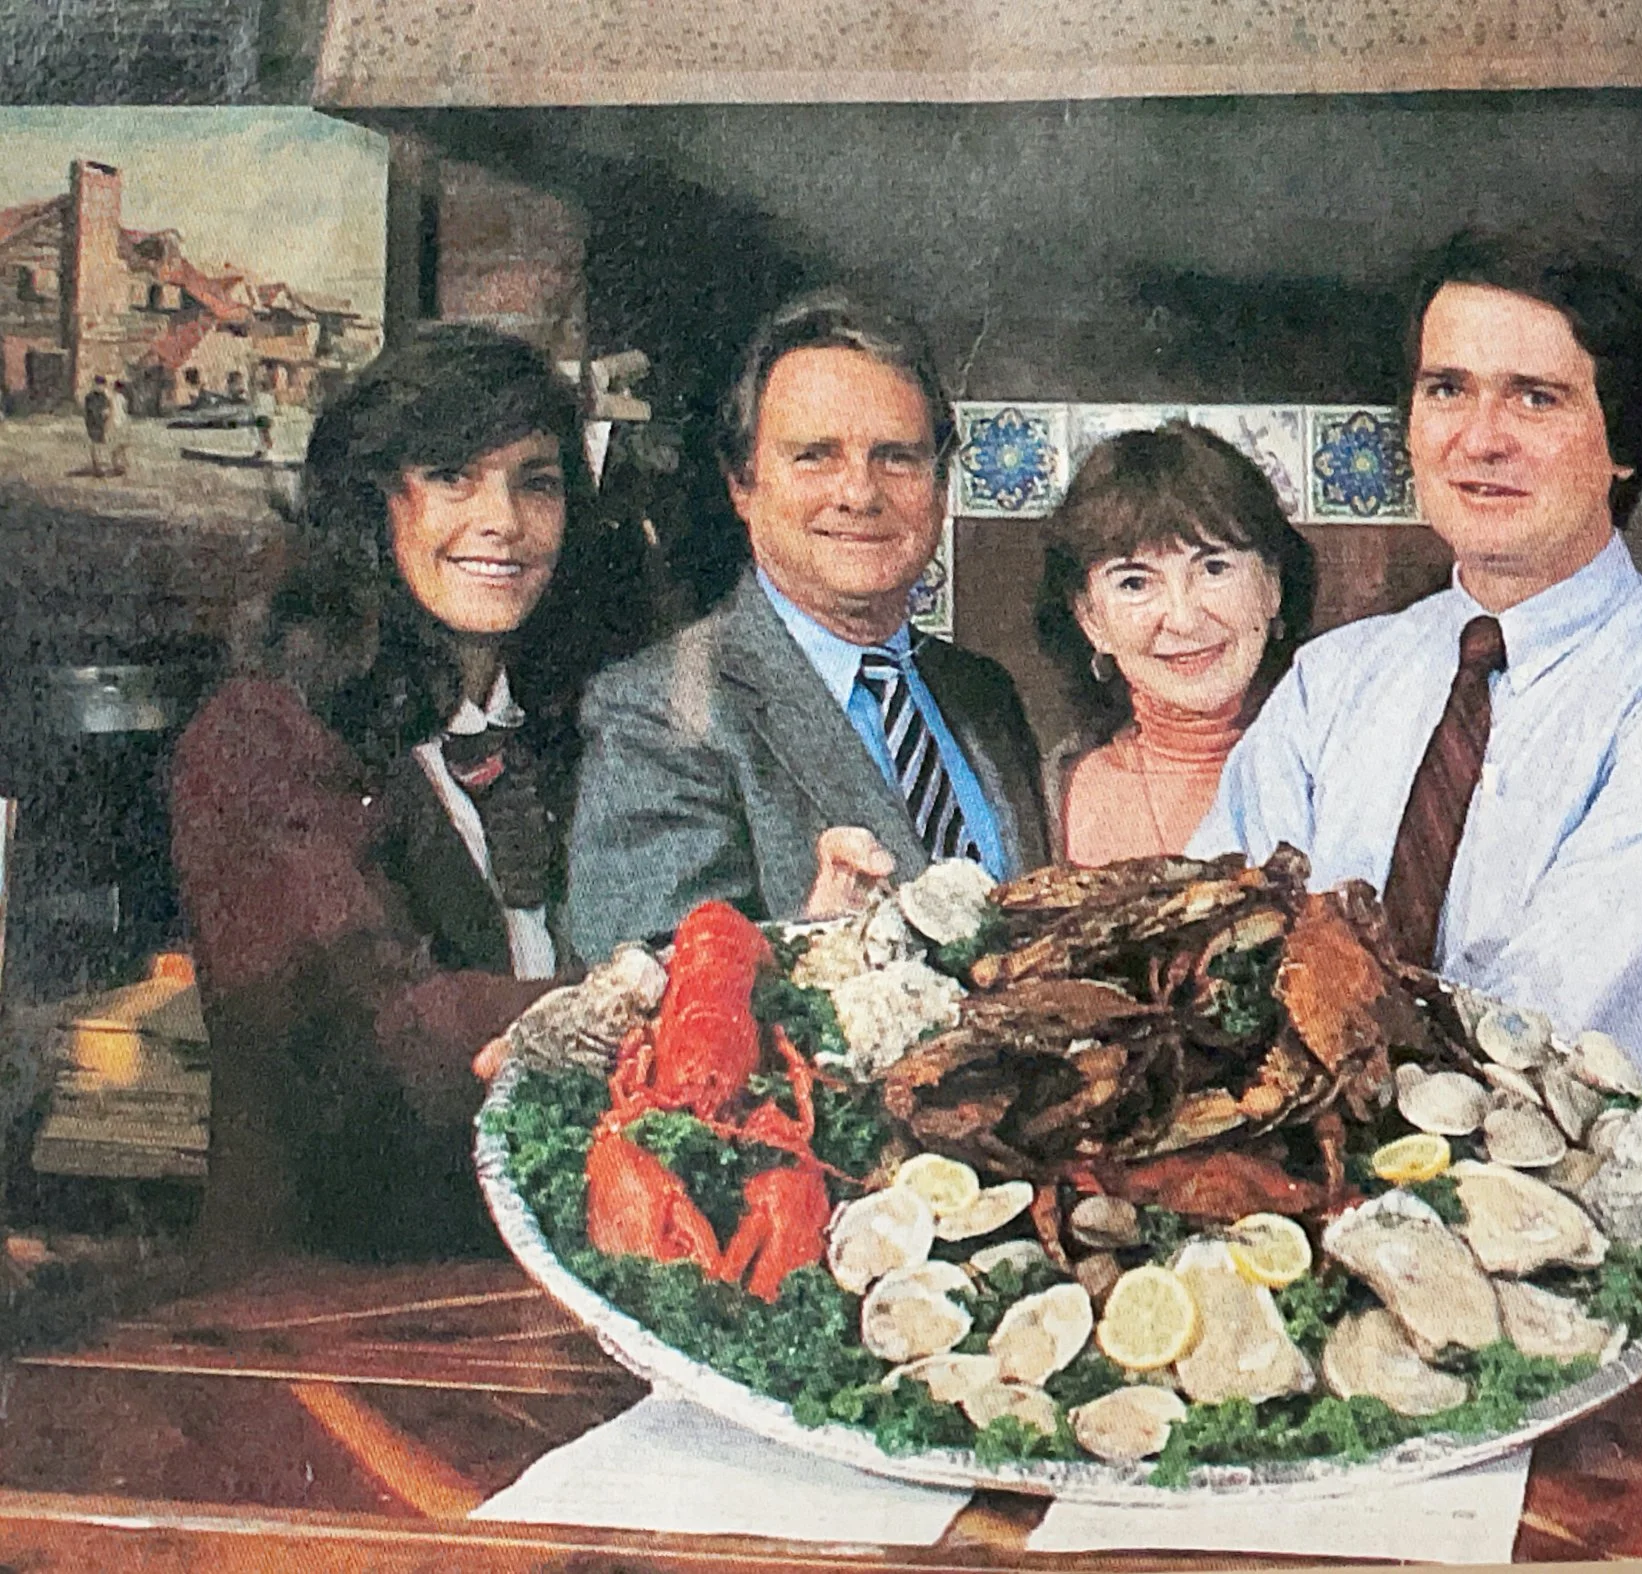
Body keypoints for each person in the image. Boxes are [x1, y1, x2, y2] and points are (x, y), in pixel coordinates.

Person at [1192, 232, 1642, 1108]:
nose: (1481, 440)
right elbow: (1207, 960)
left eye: (1536, 399)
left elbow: (1529, 1049)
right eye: (1448, 390)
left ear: (1625, 441)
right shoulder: (1331, 684)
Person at [171, 323, 612, 1261]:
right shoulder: (259, 738)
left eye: (536, 481)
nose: (502, 520)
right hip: (327, 1314)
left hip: (544, 1288)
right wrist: (666, 996)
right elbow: (389, 1046)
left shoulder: (571, 731)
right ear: (373, 503)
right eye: (454, 476)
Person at [566, 289, 1049, 957]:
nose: (859, 493)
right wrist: (818, 945)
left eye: (898, 456)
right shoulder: (657, 712)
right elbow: (648, 1001)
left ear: (939, 487)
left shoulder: (980, 693)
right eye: (814, 455)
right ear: (743, 482)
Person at [1036, 423, 1317, 863]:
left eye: (1214, 568)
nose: (1184, 620)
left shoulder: (1341, 765)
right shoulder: (1046, 798)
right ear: (1091, 619)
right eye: (1135, 582)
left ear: (1272, 585)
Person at [81, 375, 111, 475]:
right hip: (93, 423)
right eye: (99, 385)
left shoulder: (104, 396)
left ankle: (101, 465)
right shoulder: (90, 397)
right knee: (94, 443)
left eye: (102, 385)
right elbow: (90, 410)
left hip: (101, 423)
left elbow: (107, 406)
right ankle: (97, 466)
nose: (101, 387)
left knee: (101, 443)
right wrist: (99, 413)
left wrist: (106, 413)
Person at [106, 379, 132, 476]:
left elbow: (112, 410)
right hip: (120, 421)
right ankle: (119, 465)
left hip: (117, 421)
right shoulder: (121, 398)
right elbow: (124, 410)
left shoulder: (113, 397)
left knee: (120, 444)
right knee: (122, 445)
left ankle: (119, 464)